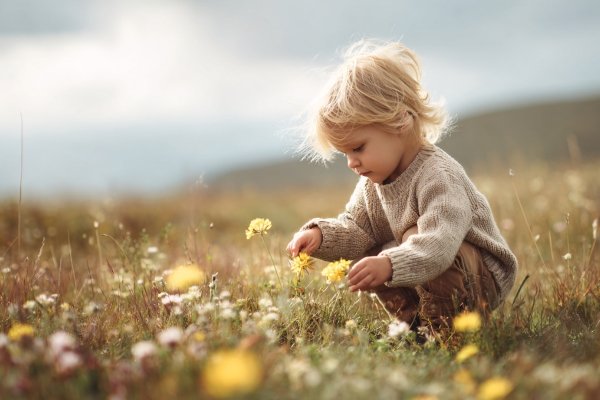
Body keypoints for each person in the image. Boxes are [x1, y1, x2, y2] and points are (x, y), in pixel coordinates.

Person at [286, 39, 517, 332]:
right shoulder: (374, 181)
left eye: (358, 147)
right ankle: (414, 324)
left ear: (399, 121)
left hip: (480, 277)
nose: (351, 163)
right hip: (429, 263)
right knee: (373, 249)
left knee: (411, 238)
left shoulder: (438, 175)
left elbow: (439, 244)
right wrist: (321, 236)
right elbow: (358, 229)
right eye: (345, 154)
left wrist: (391, 264)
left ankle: (445, 328)